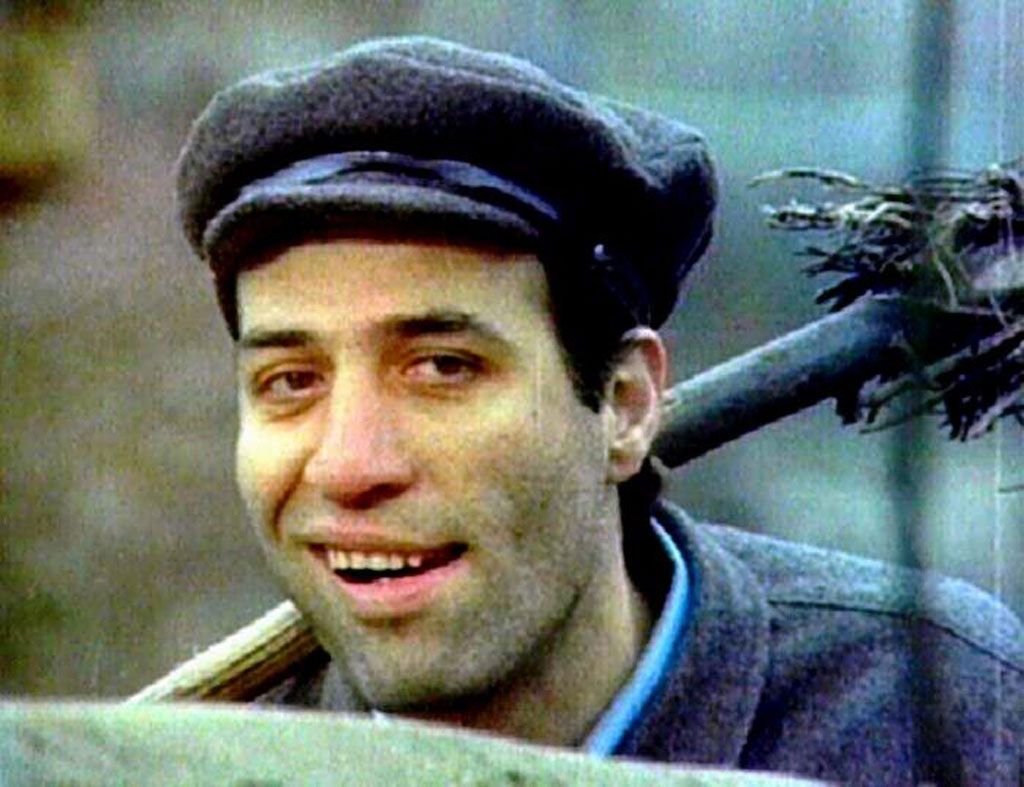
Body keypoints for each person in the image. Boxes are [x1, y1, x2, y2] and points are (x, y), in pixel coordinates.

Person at [171, 36, 1021, 783]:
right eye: (291, 380)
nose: (350, 466)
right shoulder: (202, 761)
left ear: (624, 403)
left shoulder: (940, 712)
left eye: (441, 368)